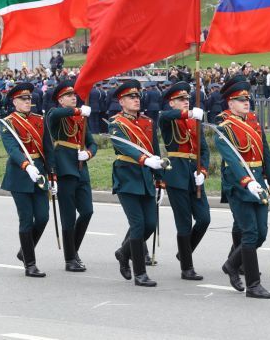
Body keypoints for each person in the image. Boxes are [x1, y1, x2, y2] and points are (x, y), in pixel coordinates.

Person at [216, 79, 270, 299]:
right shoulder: (225, 127)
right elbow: (232, 160)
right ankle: (253, 285)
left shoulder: (253, 122)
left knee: (261, 234)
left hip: (259, 183)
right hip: (239, 185)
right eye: (241, 100)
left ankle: (232, 264)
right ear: (230, 102)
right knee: (250, 233)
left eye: (247, 99)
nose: (247, 102)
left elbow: (266, 154)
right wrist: (247, 181)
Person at [109, 80, 165, 287]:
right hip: (127, 177)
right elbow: (124, 147)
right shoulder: (116, 123)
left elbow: (155, 150)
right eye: (131, 97)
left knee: (150, 224)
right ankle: (139, 273)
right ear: (121, 101)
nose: (136, 100)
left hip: (146, 177)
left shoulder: (148, 122)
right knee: (138, 225)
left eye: (137, 97)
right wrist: (144, 159)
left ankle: (123, 253)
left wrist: (159, 179)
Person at [0, 82, 54, 277]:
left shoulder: (40, 119)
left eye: (29, 98)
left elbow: (48, 148)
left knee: (43, 217)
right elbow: (13, 149)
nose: (27, 101)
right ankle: (30, 264)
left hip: (39, 173)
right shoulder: (8, 123)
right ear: (14, 101)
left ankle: (24, 250)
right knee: (26, 220)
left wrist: (52, 175)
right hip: (20, 175)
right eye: (23, 99)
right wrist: (26, 165)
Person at [159, 81, 210, 280]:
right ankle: (187, 268)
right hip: (177, 174)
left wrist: (203, 171)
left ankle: (184, 251)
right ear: (171, 103)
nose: (185, 102)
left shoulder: (194, 121)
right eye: (180, 99)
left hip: (194, 175)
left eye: (187, 99)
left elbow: (203, 150)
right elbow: (165, 117)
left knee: (204, 219)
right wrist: (187, 114)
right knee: (184, 223)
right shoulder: (168, 118)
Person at [45, 81, 96, 272]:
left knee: (87, 211)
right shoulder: (56, 115)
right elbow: (55, 114)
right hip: (64, 168)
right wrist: (77, 111)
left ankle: (73, 249)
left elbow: (92, 143)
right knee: (68, 216)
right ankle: (70, 258)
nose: (74, 98)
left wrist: (88, 154)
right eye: (68, 95)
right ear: (60, 99)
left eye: (74, 95)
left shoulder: (81, 119)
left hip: (81, 168)